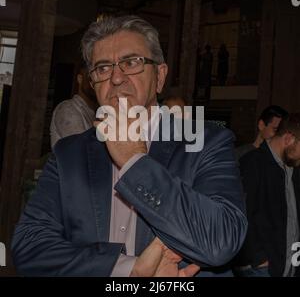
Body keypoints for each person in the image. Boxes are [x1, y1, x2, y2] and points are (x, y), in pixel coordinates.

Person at [11, 15, 247, 277]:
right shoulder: (70, 153)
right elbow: (29, 247)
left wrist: (136, 163)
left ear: (159, 76)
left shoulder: (205, 142)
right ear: (93, 84)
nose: (115, 78)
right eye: (102, 68)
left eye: (131, 62)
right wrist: (127, 270)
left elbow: (222, 241)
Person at [236, 113, 300, 277]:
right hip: (260, 269)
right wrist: (259, 259)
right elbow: (241, 214)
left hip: (287, 265)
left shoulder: (292, 170)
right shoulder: (252, 163)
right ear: (288, 139)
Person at [50, 64, 98, 148]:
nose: (94, 83)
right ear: (80, 79)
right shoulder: (68, 109)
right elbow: (82, 151)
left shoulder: (95, 113)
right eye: (90, 77)